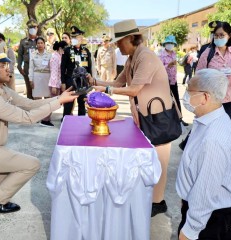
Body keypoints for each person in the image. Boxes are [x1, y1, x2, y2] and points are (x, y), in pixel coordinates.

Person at [0, 42, 77, 212]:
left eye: (7, 64)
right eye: (3, 65)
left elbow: (29, 104)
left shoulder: (0, 89)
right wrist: (58, 103)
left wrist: (59, 98)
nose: (8, 68)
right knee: (32, 164)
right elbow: (26, 118)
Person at [88, 19, 173, 217]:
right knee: (147, 161)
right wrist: (95, 82)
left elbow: (133, 90)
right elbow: (117, 82)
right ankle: (149, 198)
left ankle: (158, 202)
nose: (117, 45)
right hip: (145, 117)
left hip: (159, 118)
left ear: (130, 38)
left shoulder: (146, 57)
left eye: (119, 41)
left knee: (159, 162)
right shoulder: (131, 59)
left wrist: (107, 89)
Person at [176, 69, 231, 240]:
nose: (185, 96)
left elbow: (205, 191)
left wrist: (190, 230)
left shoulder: (213, 139)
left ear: (205, 97)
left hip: (208, 221)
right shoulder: (208, 120)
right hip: (197, 210)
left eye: (189, 92)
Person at [196, 21, 231, 119]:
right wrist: (213, 75)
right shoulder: (207, 54)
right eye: (216, 35)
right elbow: (198, 76)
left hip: (230, 101)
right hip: (212, 102)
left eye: (221, 35)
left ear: (229, 35)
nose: (218, 38)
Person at [61, 26, 92, 119]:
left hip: (83, 81)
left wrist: (90, 78)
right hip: (70, 80)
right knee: (68, 104)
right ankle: (65, 121)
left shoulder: (86, 51)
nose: (74, 39)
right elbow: (62, 67)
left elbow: (89, 67)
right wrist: (63, 82)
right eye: (73, 37)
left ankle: (81, 122)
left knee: (82, 103)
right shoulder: (67, 50)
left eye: (76, 37)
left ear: (81, 38)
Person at [159, 35, 188, 126]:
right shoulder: (161, 55)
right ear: (165, 44)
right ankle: (167, 120)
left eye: (172, 43)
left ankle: (179, 118)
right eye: (168, 43)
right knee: (166, 101)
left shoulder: (174, 54)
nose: (170, 45)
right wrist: (168, 65)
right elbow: (158, 69)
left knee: (176, 100)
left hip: (173, 81)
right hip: (164, 82)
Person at [29, 37, 53, 127]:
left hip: (47, 77)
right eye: (38, 43)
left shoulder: (49, 55)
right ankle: (38, 117)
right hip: (36, 77)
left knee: (48, 99)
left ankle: (46, 119)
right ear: (36, 44)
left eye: (41, 43)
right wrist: (30, 79)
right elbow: (31, 68)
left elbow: (52, 68)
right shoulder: (33, 54)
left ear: (44, 44)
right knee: (37, 99)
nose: (40, 45)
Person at [17, 19, 39, 99]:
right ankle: (30, 108)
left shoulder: (40, 41)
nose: (33, 29)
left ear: (37, 28)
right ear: (28, 29)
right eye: (31, 27)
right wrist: (19, 66)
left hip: (38, 68)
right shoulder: (23, 41)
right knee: (29, 88)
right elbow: (19, 55)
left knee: (38, 88)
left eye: (34, 27)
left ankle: (38, 107)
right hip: (27, 67)